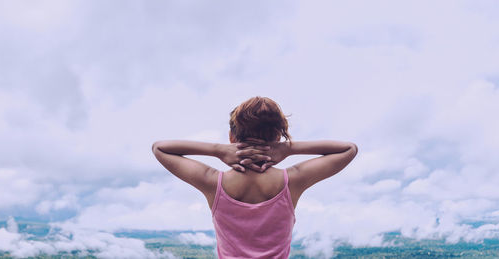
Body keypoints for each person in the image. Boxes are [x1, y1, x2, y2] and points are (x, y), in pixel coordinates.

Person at [152, 96, 358, 258]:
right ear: (278, 137)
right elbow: (349, 149)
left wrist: (218, 150)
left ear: (232, 137)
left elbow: (160, 148)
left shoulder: (213, 182)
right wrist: (288, 149)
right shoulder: (292, 180)